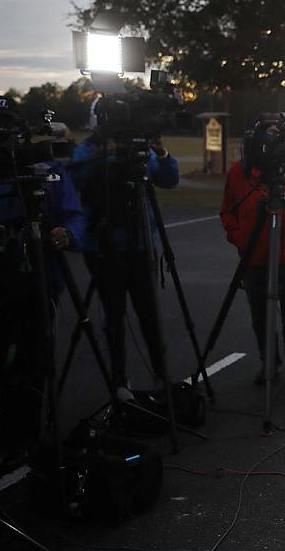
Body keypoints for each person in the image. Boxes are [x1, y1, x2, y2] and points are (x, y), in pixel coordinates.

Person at [0, 101, 84, 465]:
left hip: (37, 281)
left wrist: (66, 234)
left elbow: (74, 214)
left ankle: (24, 436)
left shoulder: (48, 173)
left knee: (31, 362)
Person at [72, 129, 178, 393]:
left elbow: (168, 178)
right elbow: (75, 176)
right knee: (114, 317)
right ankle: (120, 380)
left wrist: (162, 153)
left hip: (139, 244)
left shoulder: (137, 146)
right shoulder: (88, 150)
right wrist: (105, 152)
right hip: (103, 246)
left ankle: (161, 375)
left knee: (149, 314)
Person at [221, 115, 285, 390]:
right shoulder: (240, 170)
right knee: (260, 316)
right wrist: (239, 237)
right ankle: (269, 363)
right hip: (253, 254)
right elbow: (228, 210)